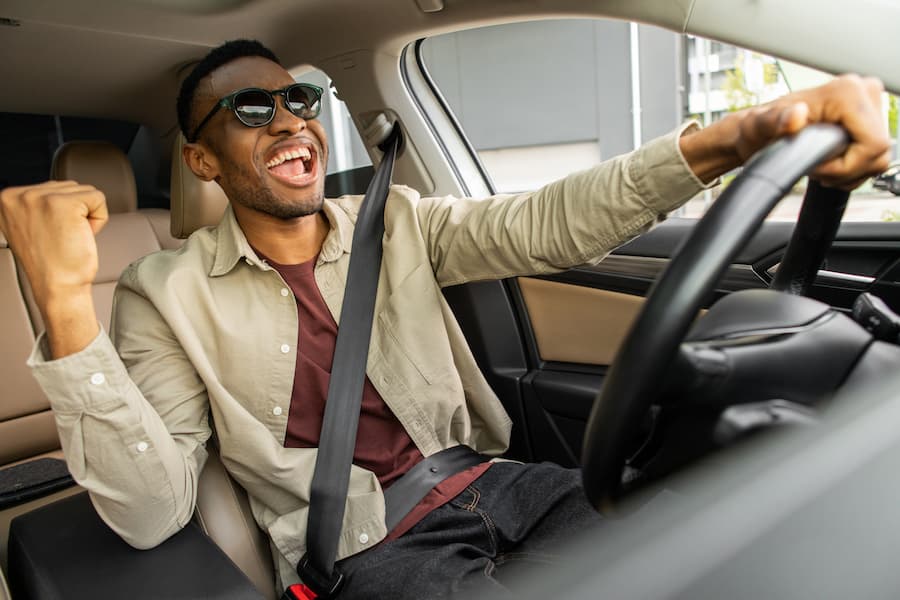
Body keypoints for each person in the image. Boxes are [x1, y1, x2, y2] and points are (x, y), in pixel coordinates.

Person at [0, 39, 889, 599]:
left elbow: (549, 220)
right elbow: (153, 512)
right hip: (365, 546)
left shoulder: (400, 220)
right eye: (251, 109)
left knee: (703, 549)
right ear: (200, 157)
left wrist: (737, 137)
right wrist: (66, 303)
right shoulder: (162, 291)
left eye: (300, 99)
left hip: (500, 482)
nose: (289, 120)